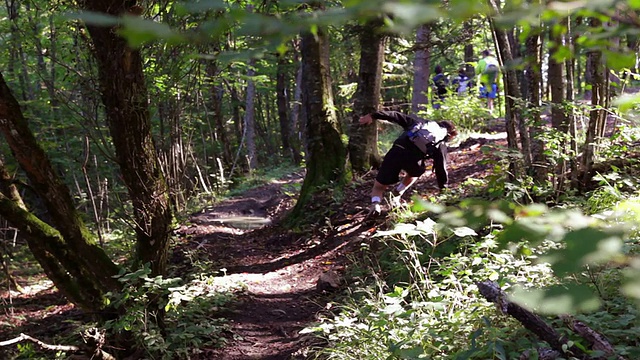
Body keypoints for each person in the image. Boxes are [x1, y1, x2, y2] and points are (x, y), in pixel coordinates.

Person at [359, 110, 458, 214]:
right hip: (413, 160)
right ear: (449, 134)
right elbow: (440, 169)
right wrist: (444, 191)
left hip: (396, 151)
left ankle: (375, 204)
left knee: (379, 186)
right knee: (417, 172)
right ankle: (397, 192)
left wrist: (373, 115)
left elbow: (395, 115)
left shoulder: (419, 124)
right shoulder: (440, 142)